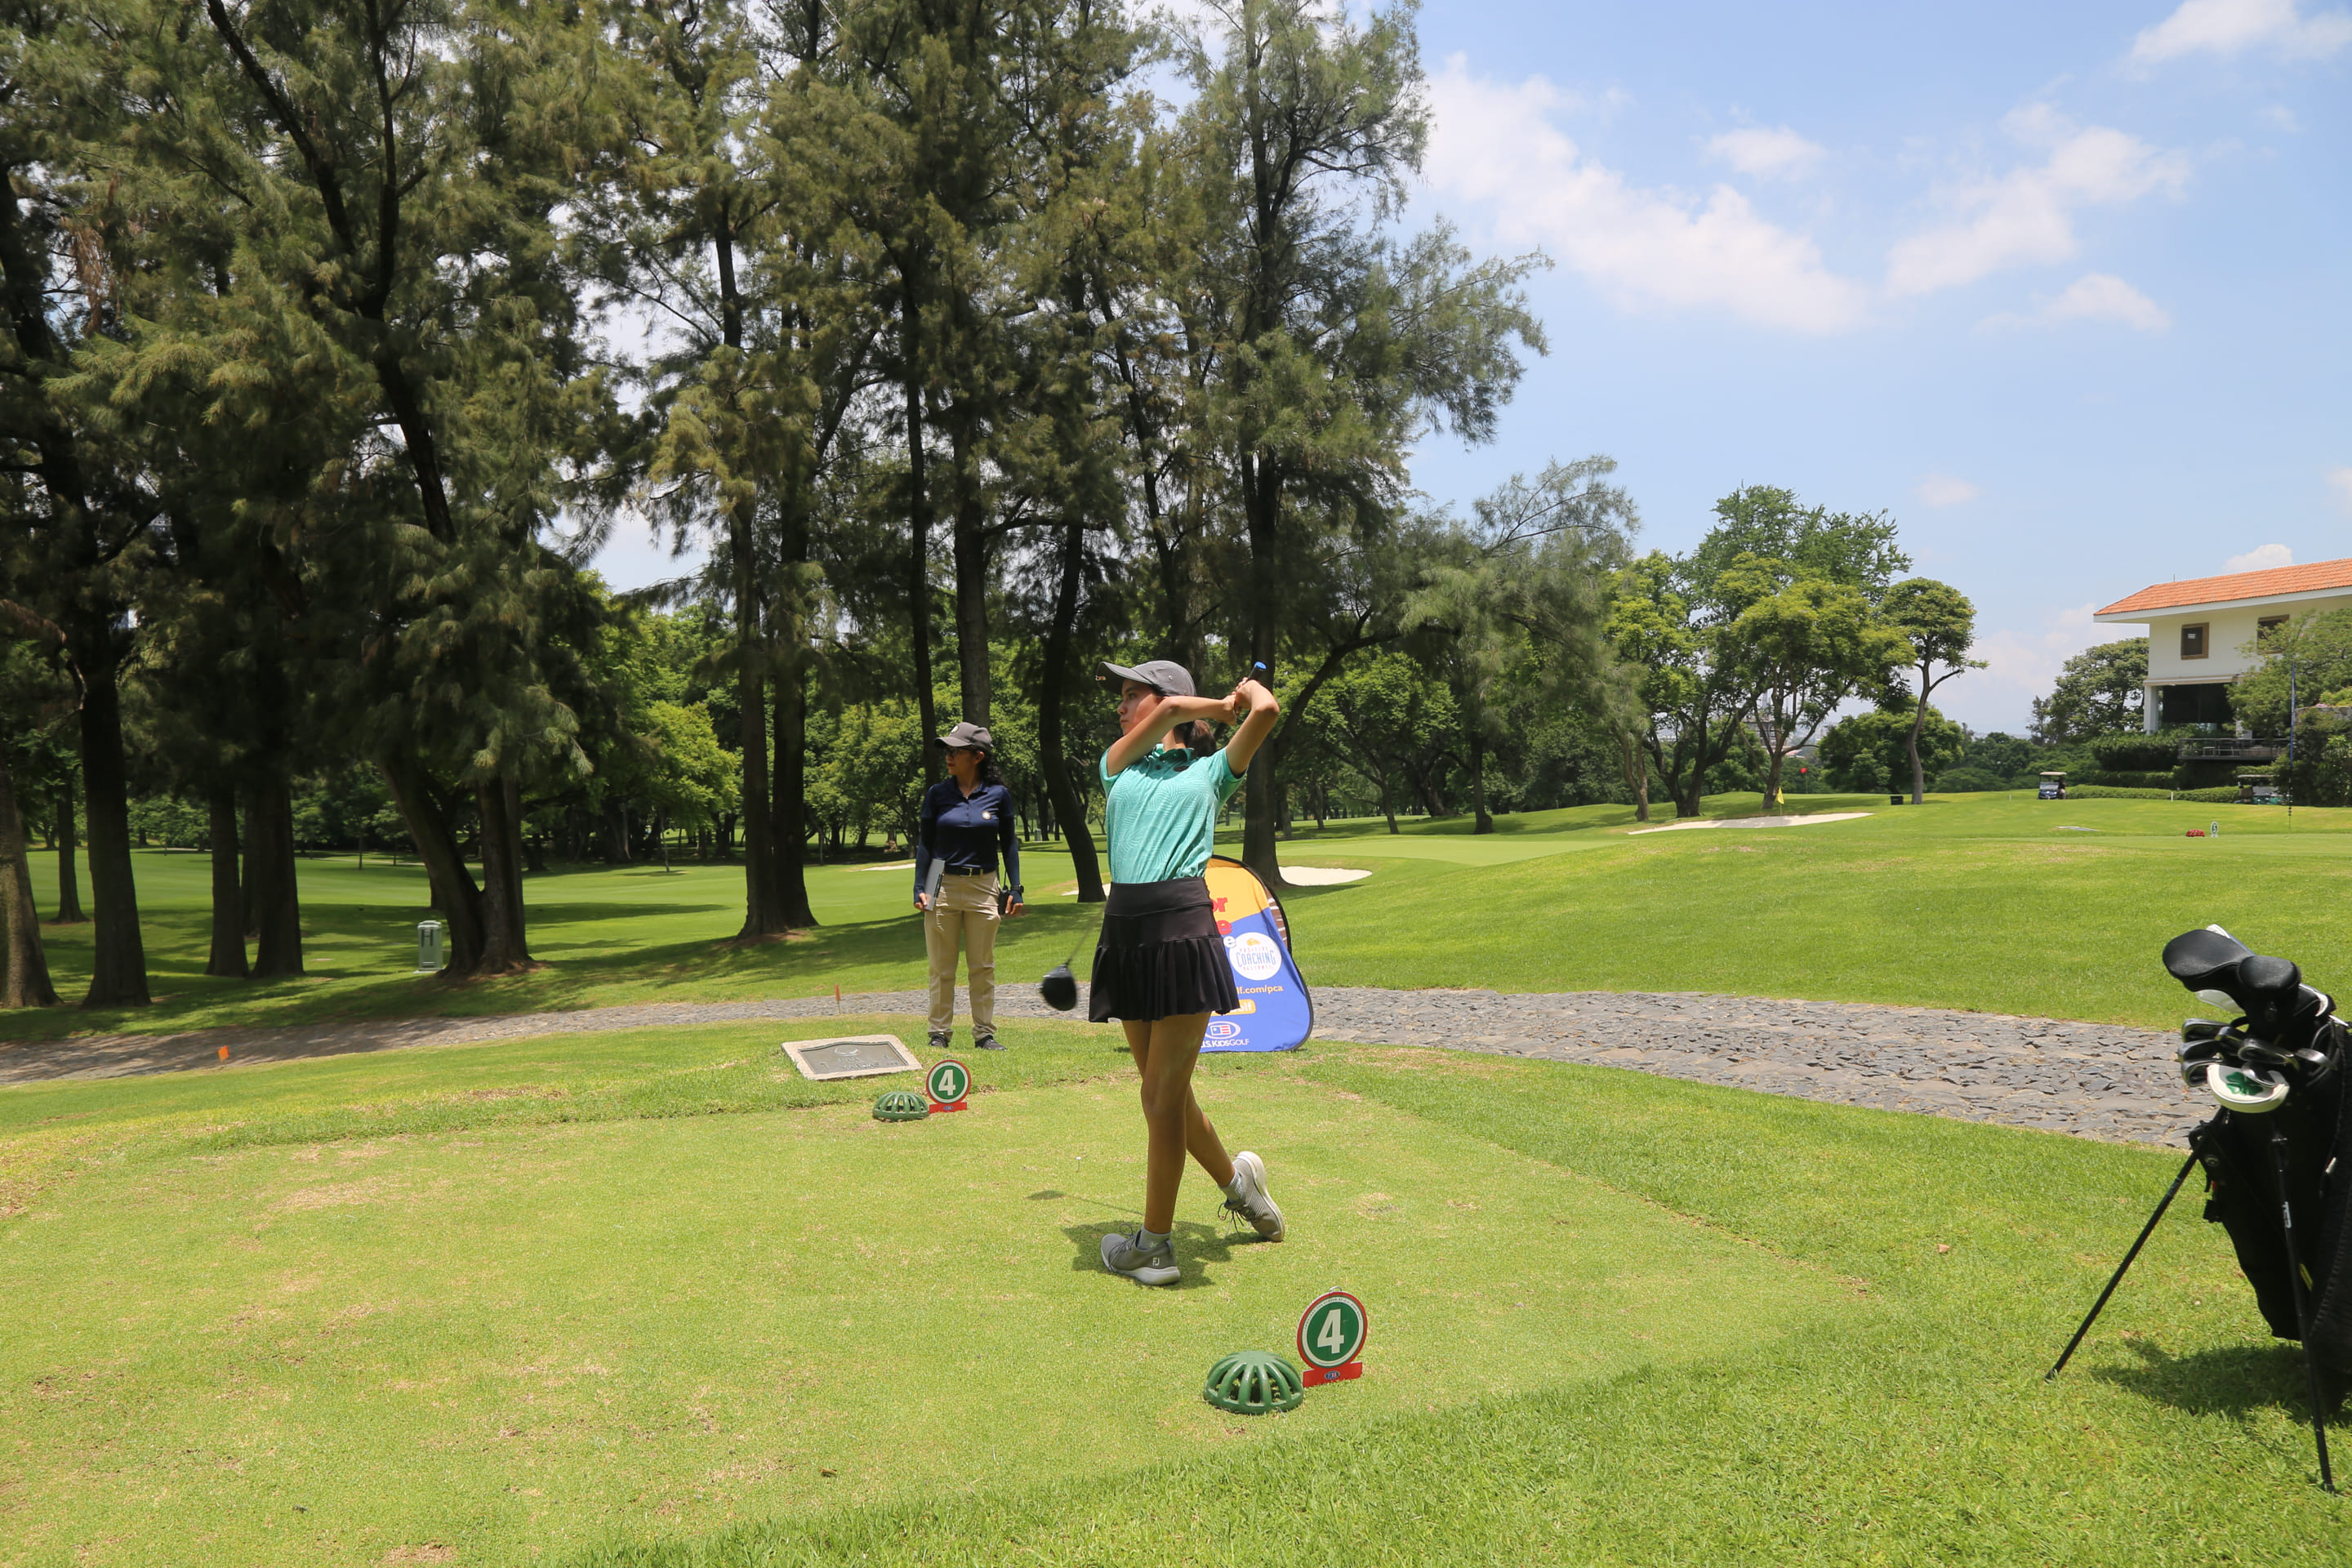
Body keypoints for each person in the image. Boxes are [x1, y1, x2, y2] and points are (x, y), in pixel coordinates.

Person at [1089, 658, 1285, 1288]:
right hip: (1126, 937)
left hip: (1180, 933)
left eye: (1131, 695)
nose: (1121, 708)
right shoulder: (1116, 764)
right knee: (1169, 1098)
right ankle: (1241, 1188)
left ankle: (1154, 1247)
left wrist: (1241, 699)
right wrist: (1219, 706)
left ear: (1164, 698)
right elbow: (1176, 712)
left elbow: (1266, 710)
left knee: (1158, 1099)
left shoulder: (1212, 771)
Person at [914, 721, 1024, 1051]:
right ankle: (939, 1033)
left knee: (982, 966)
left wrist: (1016, 887)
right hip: (940, 882)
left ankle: (984, 1034)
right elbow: (925, 844)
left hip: (984, 884)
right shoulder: (937, 794)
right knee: (941, 966)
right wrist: (920, 886)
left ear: (977, 756)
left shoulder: (998, 795)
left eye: (956, 751)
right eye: (947, 750)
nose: (948, 756)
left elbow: (1009, 845)